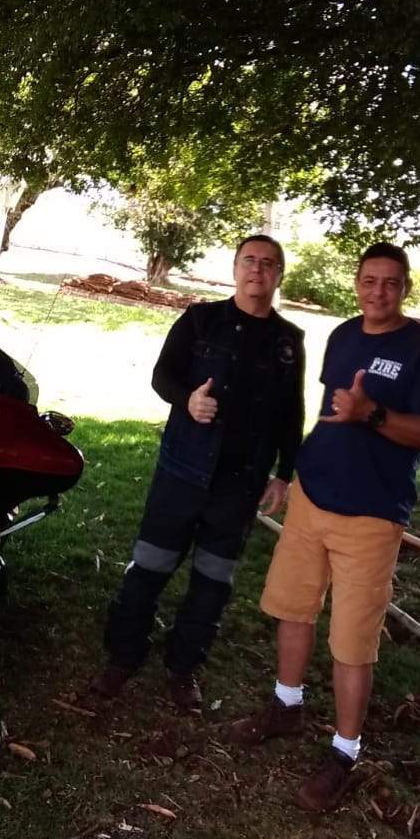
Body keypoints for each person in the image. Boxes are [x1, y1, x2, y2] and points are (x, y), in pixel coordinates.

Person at [229, 242, 420, 812]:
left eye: (390, 282)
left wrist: (371, 414)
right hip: (312, 495)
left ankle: (344, 751)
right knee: (293, 606)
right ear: (356, 283)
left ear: (405, 288)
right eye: (369, 280)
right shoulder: (343, 335)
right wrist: (293, 472)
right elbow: (329, 414)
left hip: (372, 514)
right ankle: (286, 705)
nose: (378, 291)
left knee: (352, 639)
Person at [88, 236, 306, 710]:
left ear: (278, 275)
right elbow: (162, 376)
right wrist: (187, 399)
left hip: (239, 484)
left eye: (268, 264)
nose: (257, 270)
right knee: (149, 568)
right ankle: (123, 657)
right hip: (183, 471)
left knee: (212, 584)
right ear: (235, 268)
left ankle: (183, 668)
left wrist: (284, 473)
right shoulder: (199, 320)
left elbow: (292, 413)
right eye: (249, 261)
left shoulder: (288, 341)